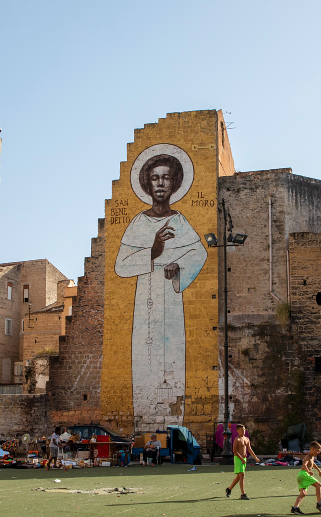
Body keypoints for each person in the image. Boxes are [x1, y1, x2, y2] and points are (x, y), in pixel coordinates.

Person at [115, 149, 207, 430]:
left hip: (171, 303)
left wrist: (177, 266)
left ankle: (172, 426)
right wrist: (153, 251)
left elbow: (199, 253)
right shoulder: (138, 223)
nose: (160, 183)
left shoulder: (180, 221)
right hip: (144, 301)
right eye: (155, 178)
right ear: (146, 183)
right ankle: (143, 427)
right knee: (145, 358)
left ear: (175, 183)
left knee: (172, 359)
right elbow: (121, 266)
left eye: (166, 177)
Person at [225, 424, 259, 500]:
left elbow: (249, 449)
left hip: (244, 459)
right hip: (238, 459)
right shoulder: (237, 439)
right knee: (242, 475)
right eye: (241, 430)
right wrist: (241, 459)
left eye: (244, 429)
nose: (243, 431)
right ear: (237, 431)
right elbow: (235, 451)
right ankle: (243, 494)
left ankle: (229, 489)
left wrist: (255, 458)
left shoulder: (246, 439)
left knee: (239, 477)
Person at [292, 440, 321, 514]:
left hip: (300, 475)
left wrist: (319, 470)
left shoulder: (312, 457)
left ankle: (295, 508)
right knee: (319, 485)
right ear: (312, 449)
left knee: (303, 493)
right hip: (304, 474)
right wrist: (308, 471)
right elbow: (304, 465)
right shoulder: (307, 456)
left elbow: (313, 464)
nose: (318, 452)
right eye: (317, 451)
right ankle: (320, 503)